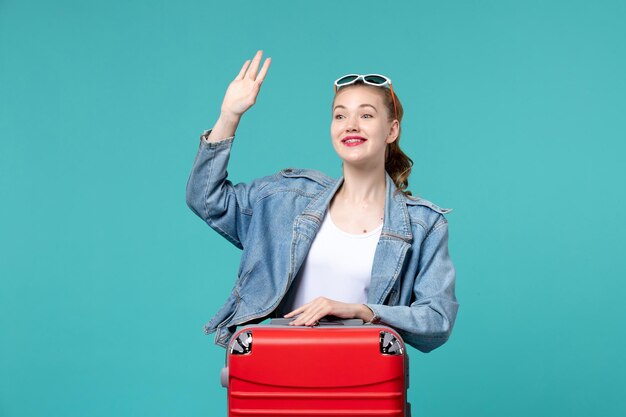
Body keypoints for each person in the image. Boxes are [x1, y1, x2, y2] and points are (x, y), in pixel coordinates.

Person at [186, 50, 459, 353]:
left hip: (365, 381)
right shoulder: (287, 199)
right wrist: (229, 116)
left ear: (391, 130)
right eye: (340, 115)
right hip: (281, 371)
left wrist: (362, 311)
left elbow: (437, 320)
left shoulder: (425, 224)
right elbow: (207, 199)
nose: (351, 124)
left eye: (366, 115)